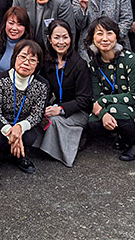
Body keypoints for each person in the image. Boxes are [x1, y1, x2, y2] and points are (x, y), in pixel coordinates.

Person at [85, 17, 135, 161]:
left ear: (117, 36)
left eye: (109, 33)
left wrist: (103, 102)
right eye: (99, 34)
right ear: (92, 38)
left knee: (116, 112)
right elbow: (96, 96)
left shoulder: (132, 60)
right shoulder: (94, 64)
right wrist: (103, 114)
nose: (104, 38)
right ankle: (121, 135)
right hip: (111, 106)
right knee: (92, 122)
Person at [0, 39, 48, 174]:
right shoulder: (1, 79)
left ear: (37, 64)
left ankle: (19, 157)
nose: (26, 62)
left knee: (29, 137)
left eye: (32, 60)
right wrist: (10, 131)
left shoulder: (42, 85)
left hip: (22, 124)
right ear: (15, 58)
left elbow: (37, 114)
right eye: (22, 57)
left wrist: (19, 127)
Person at [34, 20, 92, 167]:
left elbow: (85, 100)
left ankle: (63, 146)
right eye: (57, 37)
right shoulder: (48, 62)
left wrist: (60, 110)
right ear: (49, 39)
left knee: (54, 121)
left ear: (71, 38)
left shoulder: (80, 64)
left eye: (65, 37)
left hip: (78, 111)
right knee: (41, 116)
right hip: (57, 105)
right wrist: (44, 108)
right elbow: (44, 89)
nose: (61, 42)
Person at [0, 6, 32, 78]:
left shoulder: (31, 47)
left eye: (20, 24)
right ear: (5, 23)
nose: (14, 28)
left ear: (25, 27)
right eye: (11, 23)